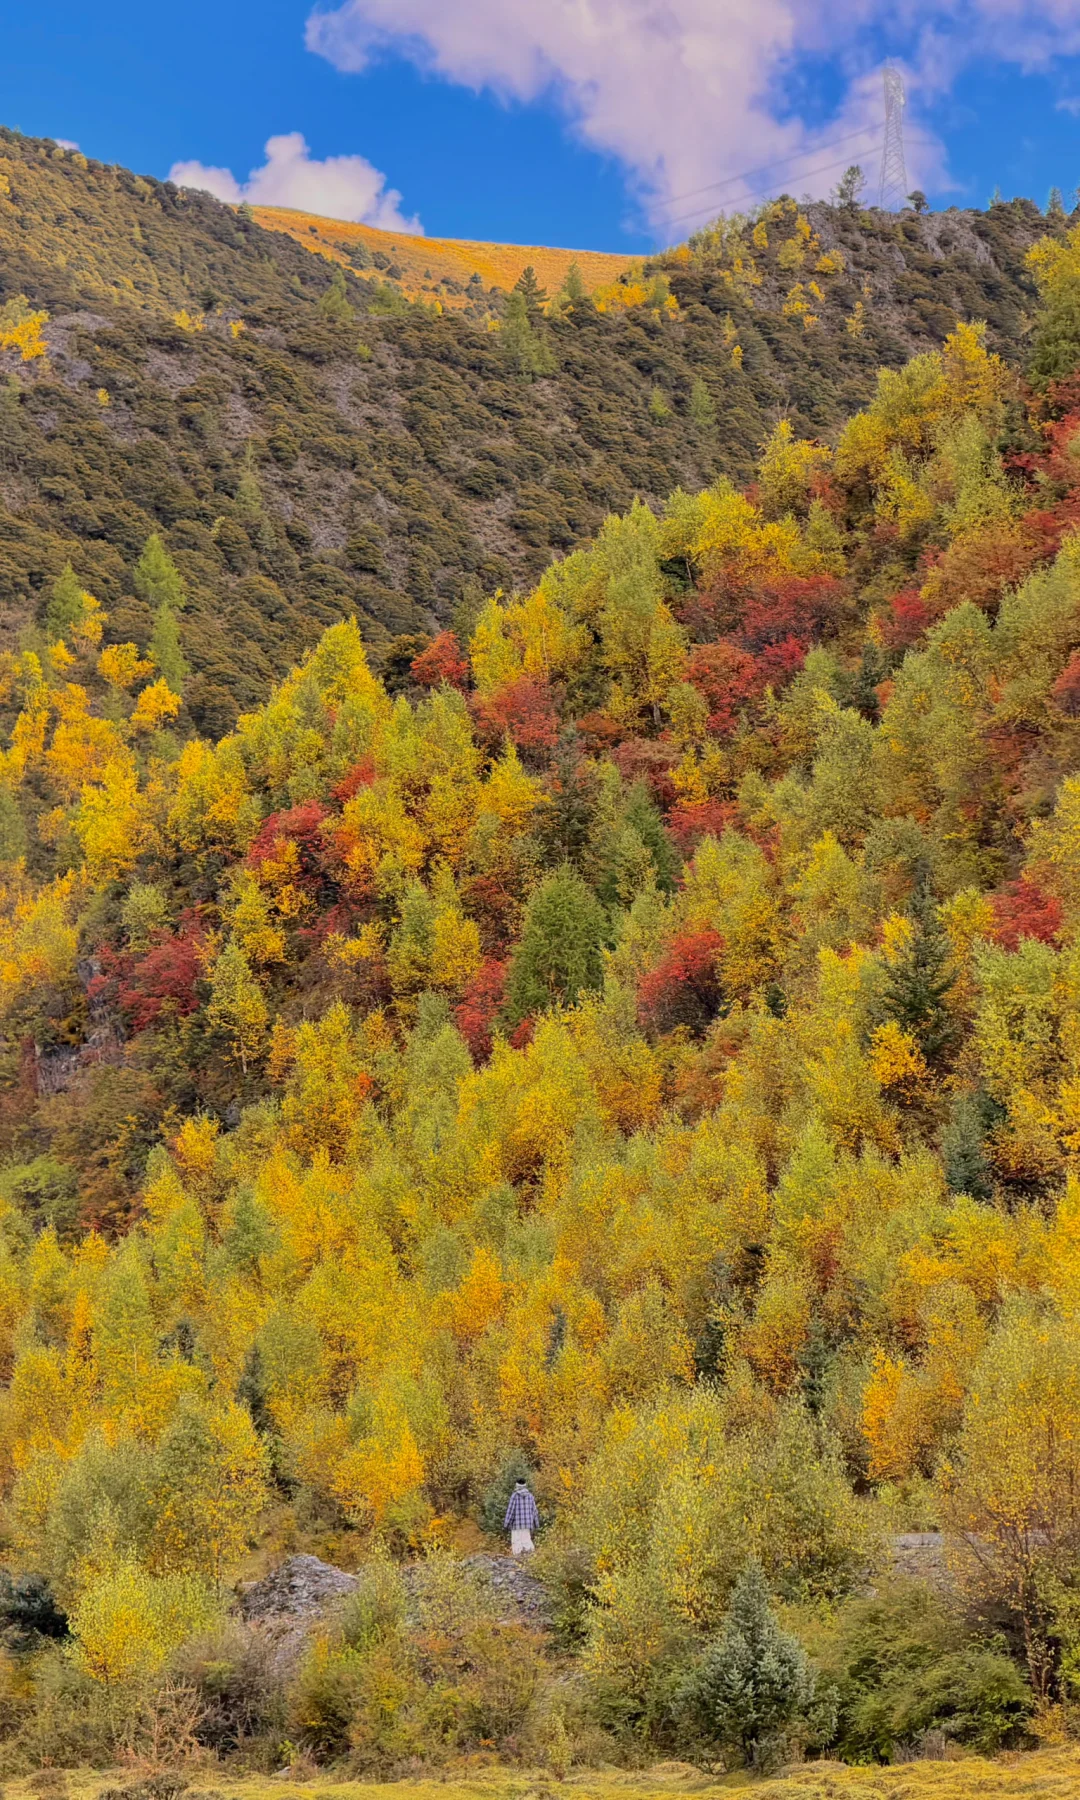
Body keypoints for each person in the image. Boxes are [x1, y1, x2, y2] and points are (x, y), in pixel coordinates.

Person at [503, 1476, 539, 1555]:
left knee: (516, 1542)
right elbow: (534, 1511)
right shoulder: (530, 1496)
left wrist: (506, 1524)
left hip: (516, 1525)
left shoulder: (515, 1496)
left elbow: (510, 1511)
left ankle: (517, 1560)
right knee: (527, 1541)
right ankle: (531, 1557)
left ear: (517, 1485)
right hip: (527, 1524)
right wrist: (536, 1524)